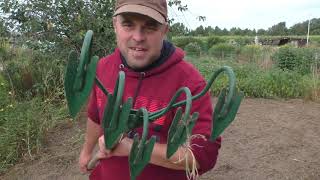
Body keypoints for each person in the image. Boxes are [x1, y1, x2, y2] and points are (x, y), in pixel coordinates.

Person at [79, 0, 222, 179]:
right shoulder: (102, 68)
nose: (138, 37)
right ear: (115, 24)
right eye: (128, 24)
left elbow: (203, 156)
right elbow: (95, 115)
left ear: (164, 30)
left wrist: (134, 148)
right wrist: (86, 151)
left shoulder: (189, 83)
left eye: (150, 27)